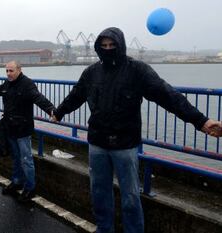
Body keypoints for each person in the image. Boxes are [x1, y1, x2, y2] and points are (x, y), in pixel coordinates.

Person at [51, 27, 221, 233]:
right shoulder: (91, 72)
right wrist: (59, 113)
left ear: (121, 46)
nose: (108, 49)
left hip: (125, 145)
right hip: (97, 143)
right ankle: (104, 229)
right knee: (98, 192)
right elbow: (75, 96)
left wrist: (201, 121)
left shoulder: (138, 70)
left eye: (112, 45)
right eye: (103, 46)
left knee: (130, 196)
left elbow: (169, 96)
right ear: (98, 47)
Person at [0, 61, 56, 202]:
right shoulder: (7, 83)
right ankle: (17, 182)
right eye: (7, 71)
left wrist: (51, 110)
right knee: (15, 157)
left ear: (19, 70)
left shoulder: (27, 84)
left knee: (26, 159)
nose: (8, 73)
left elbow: (38, 98)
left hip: (23, 128)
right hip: (9, 127)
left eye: (11, 71)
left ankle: (30, 188)